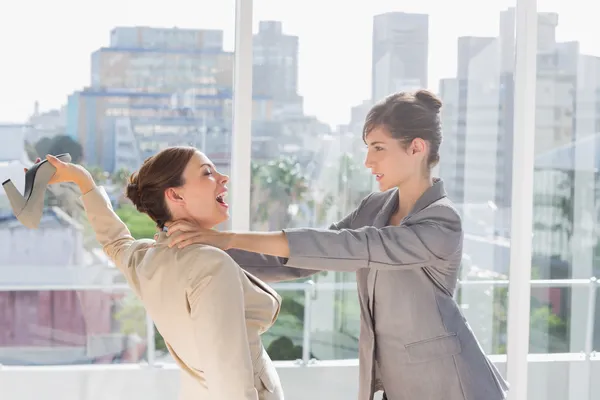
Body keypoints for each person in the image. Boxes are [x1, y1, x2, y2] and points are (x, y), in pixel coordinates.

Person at [165, 90, 510, 400]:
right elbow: (306, 258)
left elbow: (351, 246)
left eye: (378, 148)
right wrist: (213, 253)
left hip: (454, 385)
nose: (368, 162)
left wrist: (228, 237)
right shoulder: (375, 207)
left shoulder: (441, 222)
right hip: (397, 385)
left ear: (417, 148)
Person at [36, 148, 284, 400]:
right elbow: (228, 375)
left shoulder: (148, 258)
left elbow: (114, 241)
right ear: (176, 194)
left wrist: (83, 181)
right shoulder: (212, 266)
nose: (224, 178)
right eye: (207, 172)